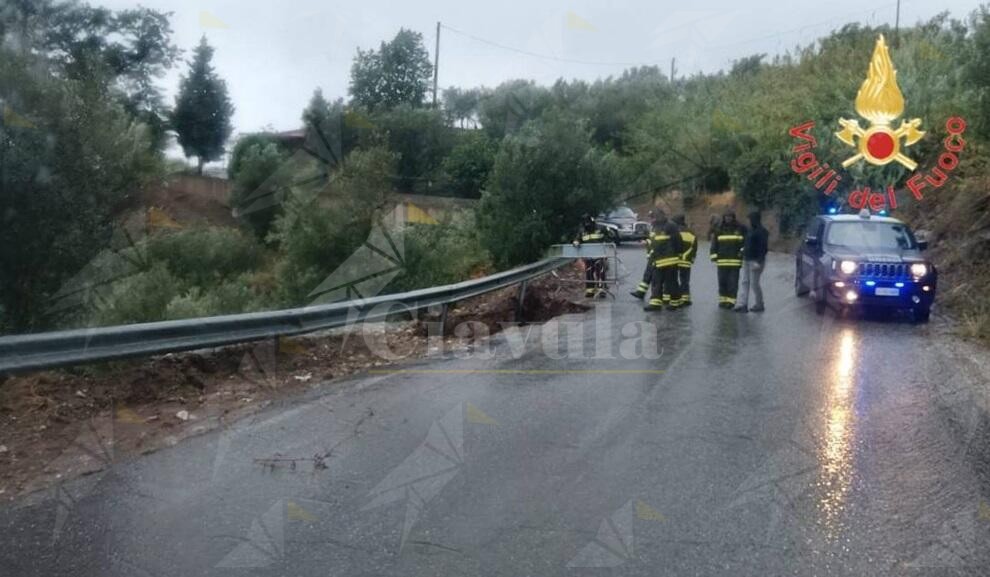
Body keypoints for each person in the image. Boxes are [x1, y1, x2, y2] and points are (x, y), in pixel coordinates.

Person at [644, 211, 684, 311]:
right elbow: (653, 243)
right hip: (658, 260)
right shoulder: (655, 227)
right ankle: (655, 304)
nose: (651, 220)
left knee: (671, 283)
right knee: (656, 282)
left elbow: (678, 241)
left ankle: (675, 303)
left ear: (659, 217)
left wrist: (677, 255)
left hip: (670, 261)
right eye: (651, 218)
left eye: (653, 218)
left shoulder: (671, 226)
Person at [710, 209, 747, 309]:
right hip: (722, 261)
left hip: (735, 261)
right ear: (724, 218)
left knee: (733, 283)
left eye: (730, 217)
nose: (728, 219)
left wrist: (742, 252)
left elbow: (745, 243)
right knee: (722, 281)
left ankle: (731, 301)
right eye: (726, 217)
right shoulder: (719, 229)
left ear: (733, 218)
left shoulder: (740, 229)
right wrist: (713, 256)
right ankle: (723, 300)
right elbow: (714, 244)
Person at [735, 211, 769, 313]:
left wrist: (759, 261)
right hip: (747, 259)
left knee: (754, 283)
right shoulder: (749, 230)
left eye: (750, 219)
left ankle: (760, 304)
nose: (748, 221)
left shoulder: (762, 232)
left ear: (754, 219)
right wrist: (743, 252)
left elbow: (763, 248)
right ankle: (743, 304)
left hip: (756, 261)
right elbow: (746, 243)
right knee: (745, 282)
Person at [576, 215, 608, 299]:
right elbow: (577, 239)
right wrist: (576, 242)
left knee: (600, 272)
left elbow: (607, 237)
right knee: (589, 273)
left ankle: (602, 290)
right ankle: (590, 291)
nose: (587, 225)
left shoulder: (599, 229)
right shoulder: (582, 231)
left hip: (599, 255)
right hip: (588, 256)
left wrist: (606, 249)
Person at [673, 214, 697, 306]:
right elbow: (694, 247)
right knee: (685, 280)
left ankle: (675, 298)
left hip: (675, 260)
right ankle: (685, 299)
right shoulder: (691, 232)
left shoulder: (674, 231)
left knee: (673, 280)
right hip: (686, 261)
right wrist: (691, 258)